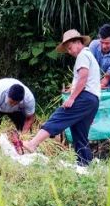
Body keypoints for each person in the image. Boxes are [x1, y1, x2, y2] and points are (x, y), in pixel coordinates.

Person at [21, 29, 101, 166]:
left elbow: (83, 78)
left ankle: (33, 144)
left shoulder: (83, 55)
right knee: (79, 132)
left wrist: (71, 98)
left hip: (85, 97)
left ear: (78, 42)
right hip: (93, 100)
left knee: (59, 116)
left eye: (70, 48)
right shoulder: (89, 55)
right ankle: (85, 164)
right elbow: (87, 81)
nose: (70, 52)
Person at [89, 23, 110, 88]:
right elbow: (87, 66)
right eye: (102, 42)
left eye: (107, 43)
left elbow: (106, 80)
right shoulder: (93, 45)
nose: (104, 46)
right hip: (95, 80)